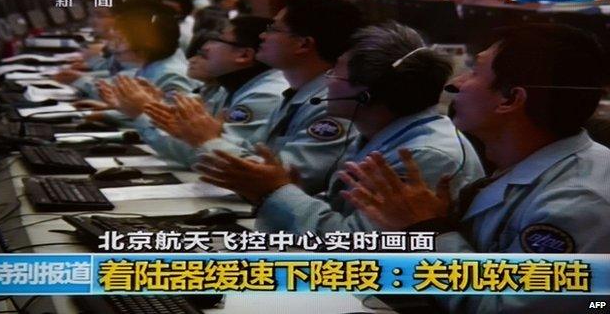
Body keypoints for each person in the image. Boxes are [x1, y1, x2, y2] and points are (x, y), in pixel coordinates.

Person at [341, 24, 610, 313]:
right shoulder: (519, 163)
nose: (456, 82)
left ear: (510, 100)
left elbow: (500, 308)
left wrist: (430, 231)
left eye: (474, 71)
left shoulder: (579, 203)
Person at [196, 22, 484, 234]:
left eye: (336, 73)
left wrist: (276, 191)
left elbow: (351, 244)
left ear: (366, 92)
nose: (328, 80)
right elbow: (338, 208)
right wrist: (286, 192)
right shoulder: (381, 134)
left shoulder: (424, 156)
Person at [163, 0, 364, 195]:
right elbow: (254, 150)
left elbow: (283, 180)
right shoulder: (296, 93)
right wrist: (210, 136)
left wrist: (208, 140)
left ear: (303, 44)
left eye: (273, 29)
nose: (262, 36)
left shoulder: (332, 103)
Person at [104, 16, 288, 167]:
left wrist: (143, 113)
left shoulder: (263, 95)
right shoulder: (229, 87)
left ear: (244, 55)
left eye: (218, 39)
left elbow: (207, 158)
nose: (206, 47)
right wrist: (156, 111)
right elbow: (197, 144)